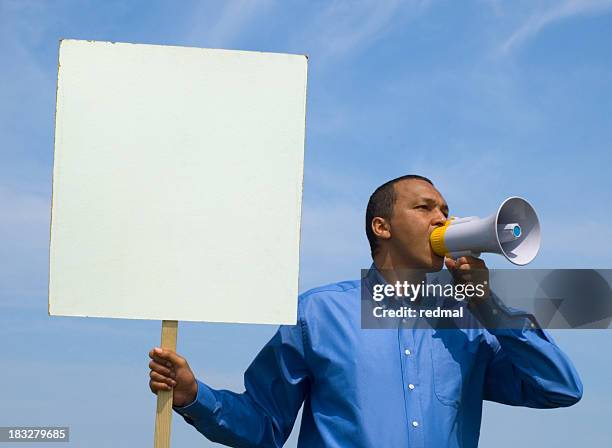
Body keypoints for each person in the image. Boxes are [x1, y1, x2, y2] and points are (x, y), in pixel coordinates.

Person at [148, 174, 582, 447]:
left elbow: (559, 389)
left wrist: (490, 306)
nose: (442, 220)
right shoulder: (318, 314)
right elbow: (263, 427)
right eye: (425, 207)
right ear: (382, 226)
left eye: (446, 211)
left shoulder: (468, 328)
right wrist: (193, 395)